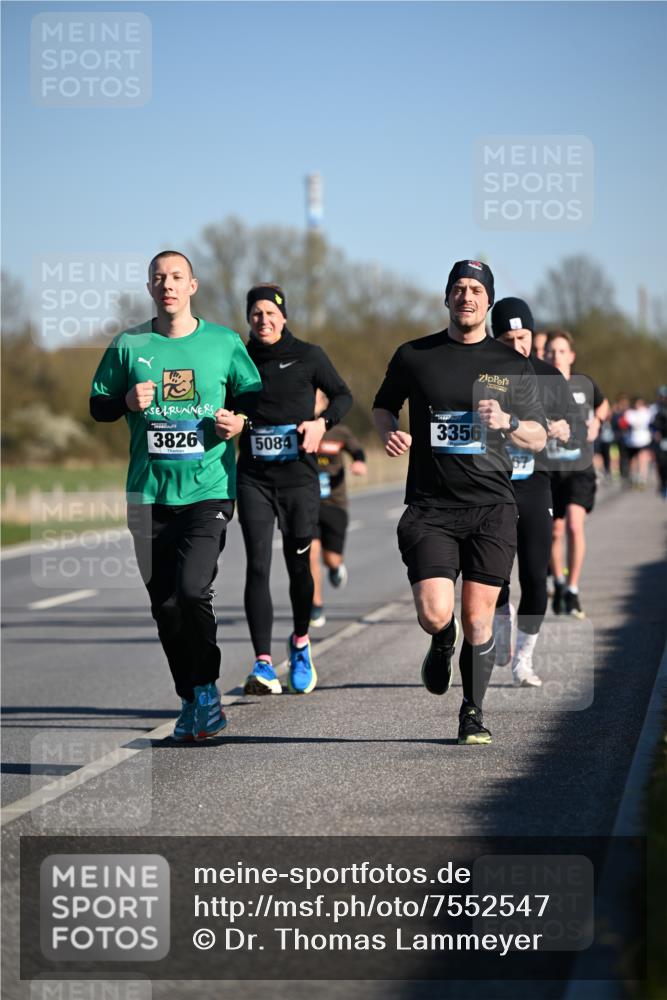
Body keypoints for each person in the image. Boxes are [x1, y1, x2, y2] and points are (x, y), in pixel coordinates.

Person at [90, 251, 262, 741]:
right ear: (150, 287)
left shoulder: (223, 342)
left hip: (208, 489)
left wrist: (239, 420)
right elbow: (97, 404)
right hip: (147, 495)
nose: (167, 284)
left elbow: (251, 391)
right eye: (159, 278)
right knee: (164, 605)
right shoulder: (130, 345)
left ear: (193, 286)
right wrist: (124, 401)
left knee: (191, 590)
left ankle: (207, 690)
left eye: (176, 277)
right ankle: (188, 696)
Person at [373, 260, 547, 745]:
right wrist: (389, 433)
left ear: (487, 301)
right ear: (446, 297)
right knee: (435, 613)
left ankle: (472, 711)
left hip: (491, 506)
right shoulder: (415, 355)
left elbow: (537, 436)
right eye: (458, 289)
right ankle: (440, 640)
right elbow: (383, 403)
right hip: (431, 507)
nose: (466, 297)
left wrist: (509, 422)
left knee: (479, 618)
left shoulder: (512, 363)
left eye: (475, 290)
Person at [237, 284, 352, 696]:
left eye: (270, 313)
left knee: (299, 567)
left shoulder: (308, 356)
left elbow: (343, 394)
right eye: (256, 314)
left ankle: (301, 643)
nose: (263, 320)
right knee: (258, 565)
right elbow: (218, 402)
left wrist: (323, 423)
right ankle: (263, 663)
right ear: (248, 319)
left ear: (284, 317)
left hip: (299, 479)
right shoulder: (238, 357)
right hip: (253, 478)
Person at [490, 298, 574, 687]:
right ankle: (501, 630)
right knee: (495, 577)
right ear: (494, 338)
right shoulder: (482, 375)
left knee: (536, 577)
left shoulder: (549, 376)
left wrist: (561, 427)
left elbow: (575, 428)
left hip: (535, 484)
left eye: (522, 337)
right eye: (507, 339)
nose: (517, 346)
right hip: (491, 486)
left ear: (533, 336)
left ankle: (524, 659)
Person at [545, 331, 609, 619]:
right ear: (543, 355)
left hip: (580, 469)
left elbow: (603, 404)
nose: (556, 356)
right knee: (554, 531)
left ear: (570, 356)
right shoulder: (536, 385)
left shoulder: (585, 384)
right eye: (550, 351)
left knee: (573, 524)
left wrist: (597, 420)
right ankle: (558, 581)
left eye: (561, 351)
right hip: (549, 469)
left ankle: (572, 588)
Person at [309, 389, 368, 627]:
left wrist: (359, 462)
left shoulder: (338, 431)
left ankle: (335, 569)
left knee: (330, 559)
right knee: (310, 554)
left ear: (325, 402)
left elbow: (357, 449)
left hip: (335, 503)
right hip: (308, 503)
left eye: (316, 397)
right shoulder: (297, 426)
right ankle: (316, 605)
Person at [622, 397, 653, 488]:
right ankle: (634, 476)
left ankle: (643, 477)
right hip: (631, 441)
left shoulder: (646, 412)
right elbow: (627, 423)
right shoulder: (630, 412)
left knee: (643, 457)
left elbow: (646, 422)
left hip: (644, 440)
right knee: (633, 459)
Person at [650, 385, 667, 499]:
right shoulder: (654, 408)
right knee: (661, 464)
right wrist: (655, 432)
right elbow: (650, 424)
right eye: (661, 396)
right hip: (660, 441)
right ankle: (663, 484)